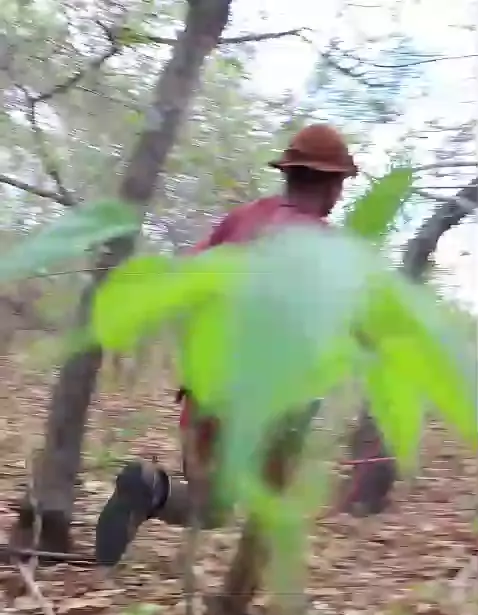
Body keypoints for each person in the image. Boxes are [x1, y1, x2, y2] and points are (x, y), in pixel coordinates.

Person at [95, 124, 395, 567]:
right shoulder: (330, 249)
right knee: (265, 510)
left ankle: (150, 488)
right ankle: (236, 600)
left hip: (206, 390)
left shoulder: (242, 220)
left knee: (211, 502)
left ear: (288, 175)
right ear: (334, 185)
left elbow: (184, 281)